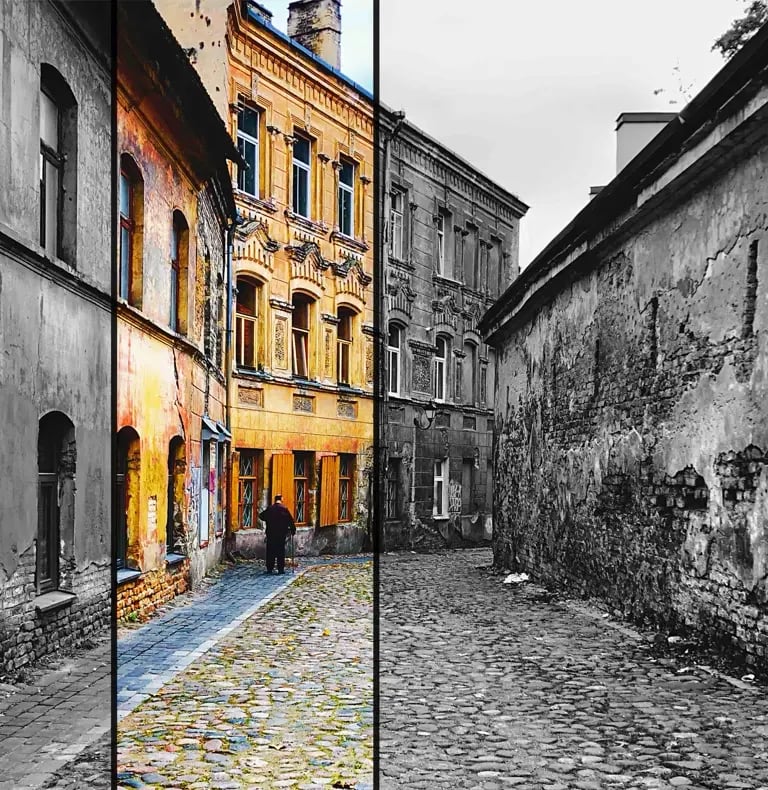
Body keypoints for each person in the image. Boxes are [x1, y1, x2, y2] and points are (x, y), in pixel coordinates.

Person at [259, 495, 296, 574]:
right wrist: (293, 530)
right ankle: (280, 569)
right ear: (281, 499)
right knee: (280, 551)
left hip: (271, 533)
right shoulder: (284, 509)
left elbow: (261, 516)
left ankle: (269, 569)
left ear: (274, 500)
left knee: (270, 551)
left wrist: (268, 519)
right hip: (281, 533)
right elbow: (291, 521)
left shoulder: (270, 509)